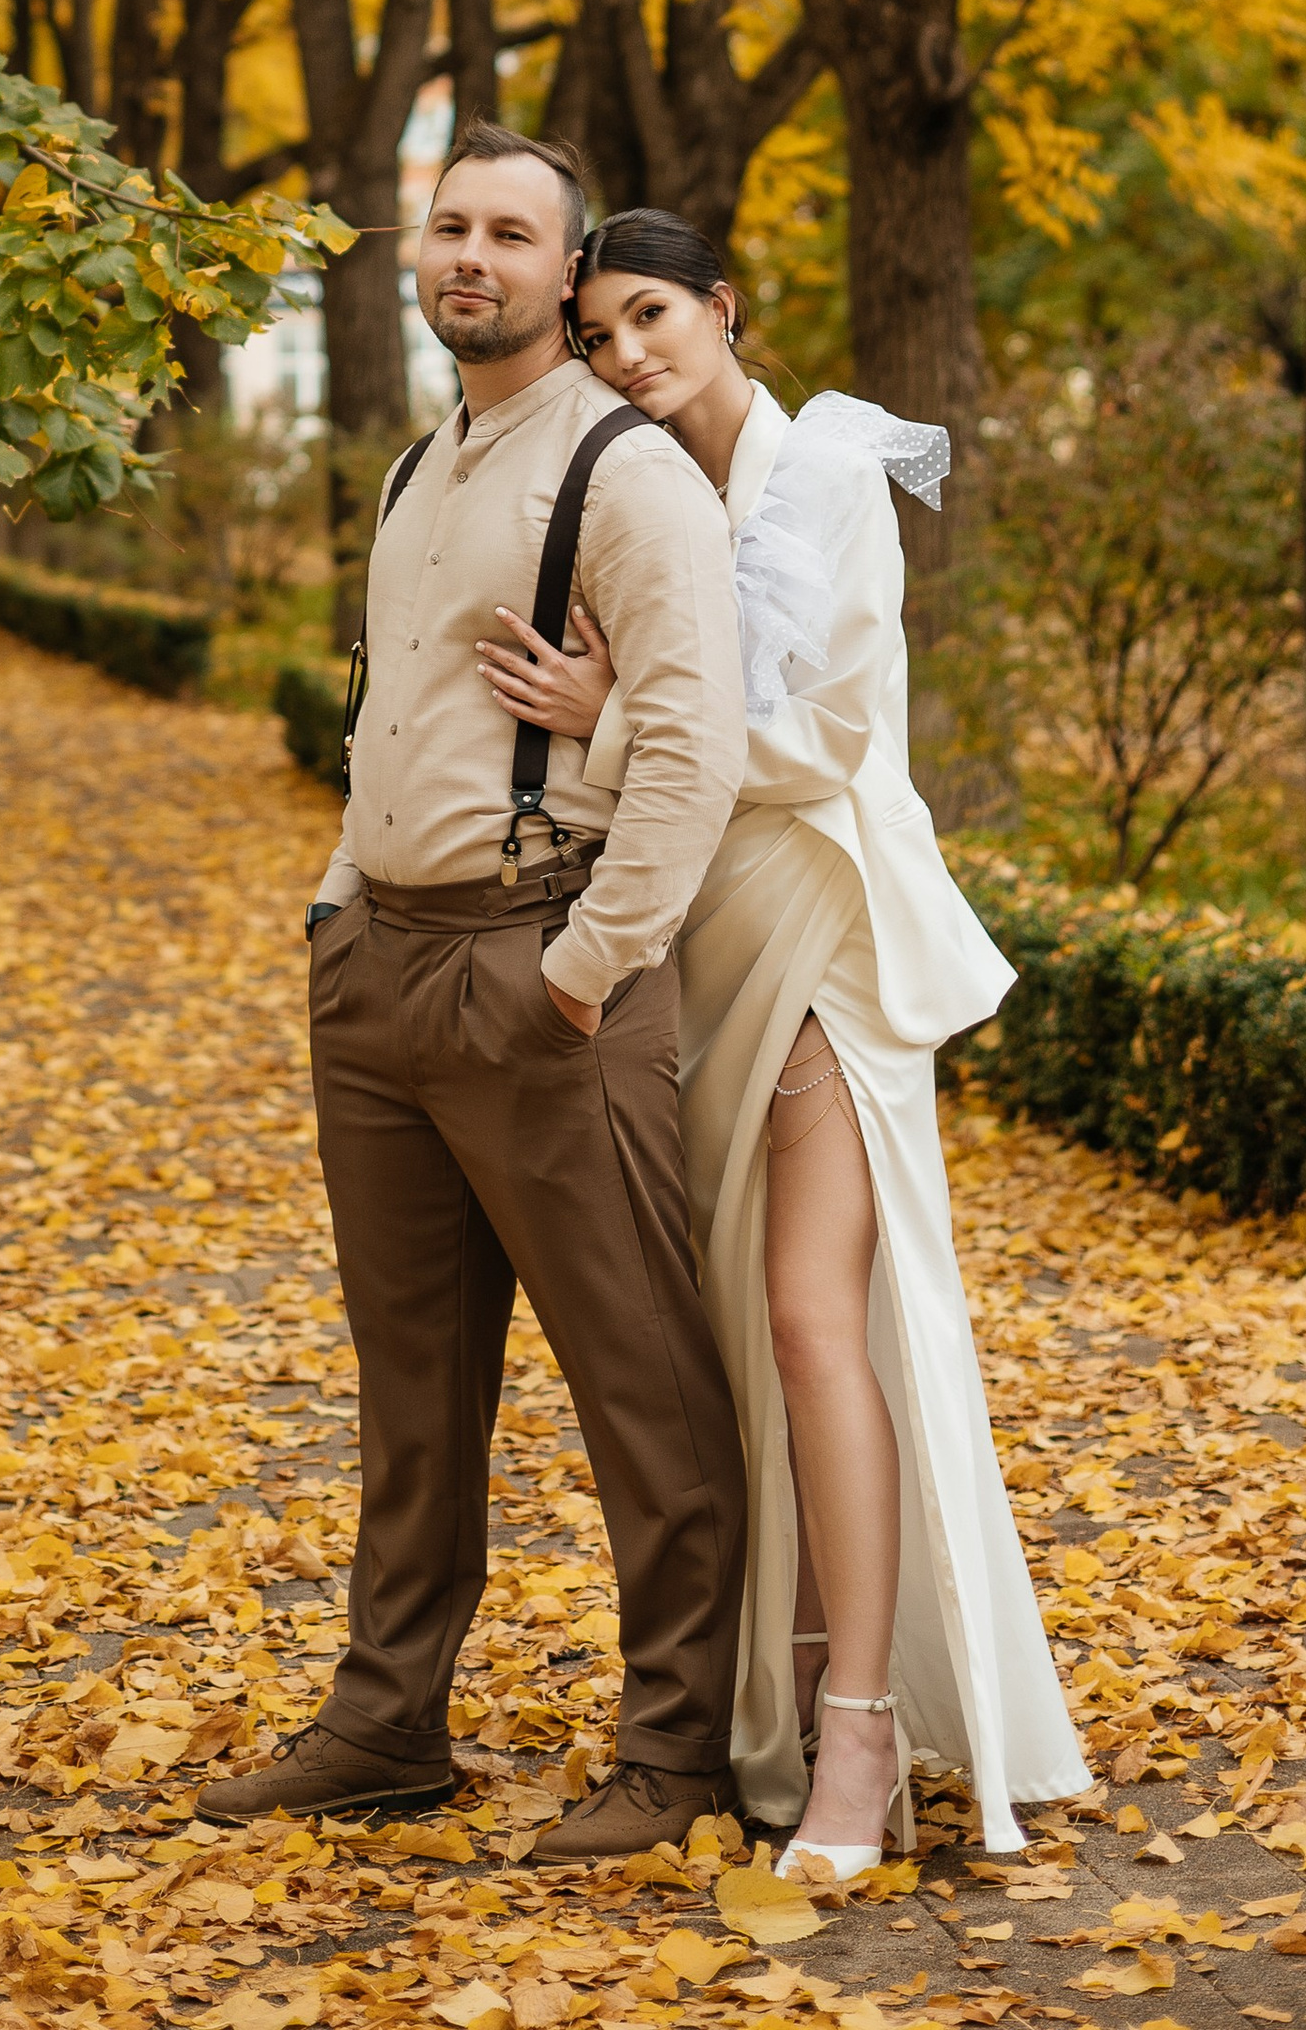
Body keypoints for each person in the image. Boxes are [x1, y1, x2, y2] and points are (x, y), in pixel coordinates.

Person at [476, 209, 1085, 1868]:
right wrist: (608, 734)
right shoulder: (651, 497)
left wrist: (625, 719)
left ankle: (862, 1740)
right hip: (704, 939)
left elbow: (829, 736)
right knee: (754, 1337)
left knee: (820, 1319)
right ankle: (789, 1694)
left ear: (723, 307)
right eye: (599, 335)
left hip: (823, 921)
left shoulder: (824, 474)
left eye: (652, 314)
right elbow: (641, 755)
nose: (628, 356)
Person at [197, 126, 756, 1858]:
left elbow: (692, 748)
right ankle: (385, 1721)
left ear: (565, 276)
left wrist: (585, 976)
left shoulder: (623, 472)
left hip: (543, 966)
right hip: (381, 973)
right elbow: (392, 725)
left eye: (513, 236)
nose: (472, 257)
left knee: (641, 1379)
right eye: (449, 226)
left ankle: (678, 1752)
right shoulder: (415, 467)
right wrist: (336, 910)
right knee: (410, 1380)